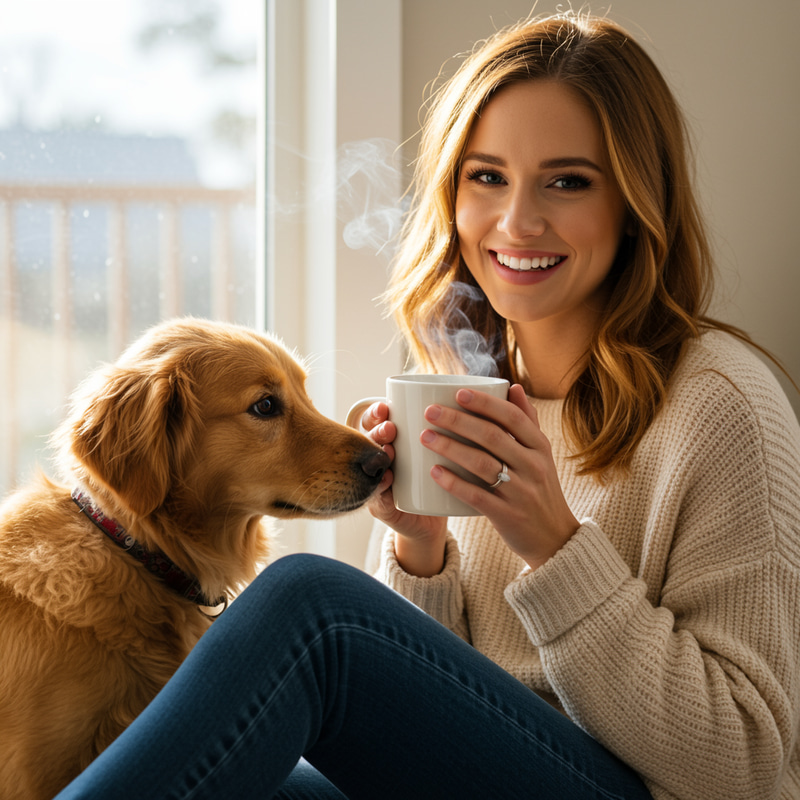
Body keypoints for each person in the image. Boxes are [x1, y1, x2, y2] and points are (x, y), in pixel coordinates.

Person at [56, 10, 800, 800]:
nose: (517, 221)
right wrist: (422, 554)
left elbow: (747, 765)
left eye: (568, 181)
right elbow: (436, 730)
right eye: (487, 177)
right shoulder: (471, 377)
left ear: (635, 203)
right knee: (241, 768)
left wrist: (553, 544)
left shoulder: (722, 404)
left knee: (313, 607)